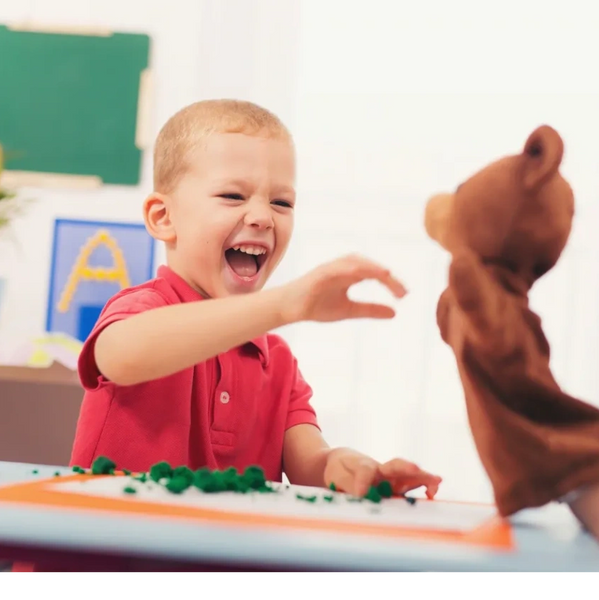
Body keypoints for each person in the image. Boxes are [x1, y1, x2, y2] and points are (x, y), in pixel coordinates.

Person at [70, 99, 442, 500]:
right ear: (164, 217)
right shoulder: (142, 310)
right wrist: (283, 306)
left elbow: (310, 464)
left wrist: (351, 468)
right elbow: (122, 356)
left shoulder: (278, 363)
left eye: (282, 202)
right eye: (233, 196)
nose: (263, 217)